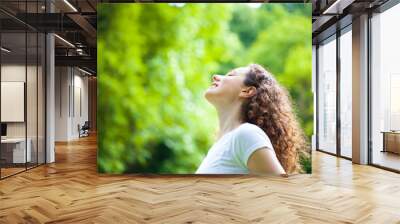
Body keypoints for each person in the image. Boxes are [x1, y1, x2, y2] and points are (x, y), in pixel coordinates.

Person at [196, 64, 306, 175]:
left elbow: (283, 189)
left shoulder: (246, 134)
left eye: (230, 75)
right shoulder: (221, 145)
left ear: (247, 91)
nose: (215, 76)